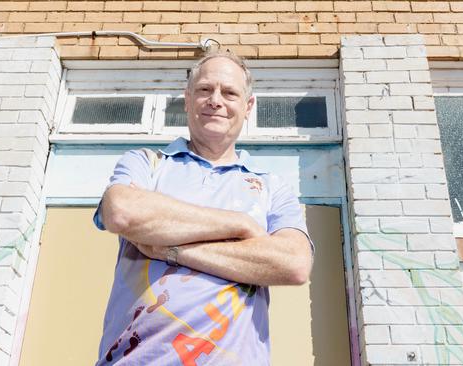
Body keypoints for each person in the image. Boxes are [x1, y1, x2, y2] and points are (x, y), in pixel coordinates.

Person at [93, 51, 313, 366]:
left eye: (230, 92)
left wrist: (170, 250)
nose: (215, 100)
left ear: (248, 106)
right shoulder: (148, 162)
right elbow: (122, 211)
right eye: (205, 90)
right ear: (187, 99)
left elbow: (293, 264)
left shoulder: (271, 187)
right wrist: (240, 225)